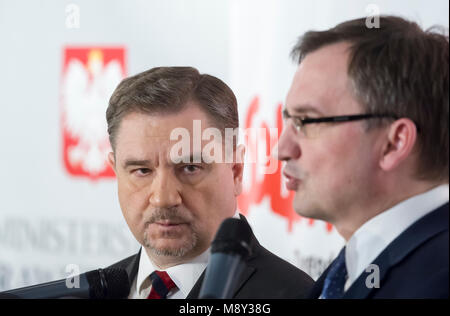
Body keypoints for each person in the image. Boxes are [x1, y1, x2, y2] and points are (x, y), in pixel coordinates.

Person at [105, 66, 314, 299]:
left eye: (190, 168)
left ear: (236, 170)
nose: (163, 198)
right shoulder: (91, 292)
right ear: (116, 170)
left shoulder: (295, 295)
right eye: (142, 170)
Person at [277, 16, 448, 298]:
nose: (282, 150)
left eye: (306, 121)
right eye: (288, 120)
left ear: (394, 143)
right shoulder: (354, 264)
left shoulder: (437, 282)